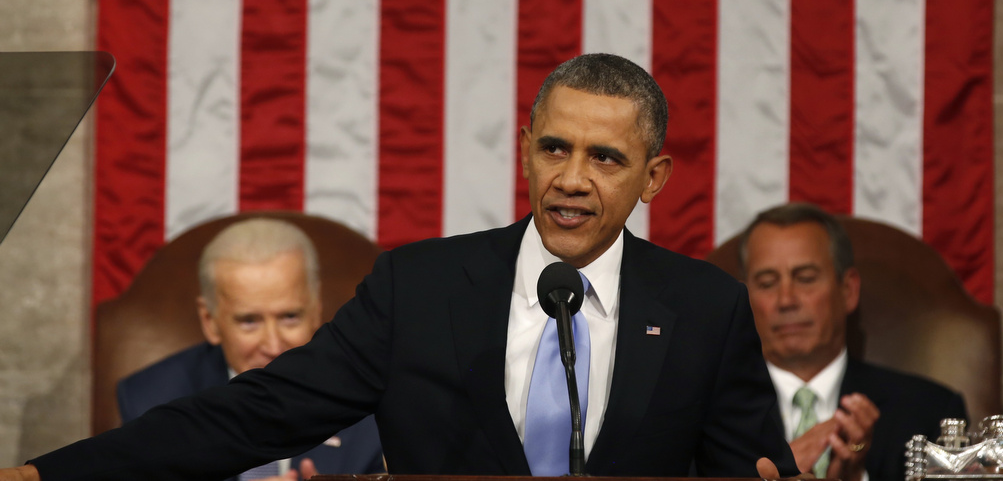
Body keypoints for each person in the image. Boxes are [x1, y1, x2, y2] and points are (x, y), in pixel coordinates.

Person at [5, 53, 798, 480]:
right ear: (526, 146)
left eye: (606, 157)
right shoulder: (415, 288)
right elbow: (248, 414)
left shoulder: (705, 307)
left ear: (652, 178)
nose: (571, 177)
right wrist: (48, 477)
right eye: (554, 146)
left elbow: (753, 472)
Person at [116, 217, 385, 481]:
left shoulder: (372, 403)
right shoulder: (152, 400)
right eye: (249, 321)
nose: (273, 345)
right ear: (209, 321)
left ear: (316, 310)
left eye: (289, 317)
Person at [739, 202, 968, 481]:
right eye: (766, 283)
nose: (786, 300)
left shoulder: (930, 412)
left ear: (848, 290)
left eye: (806, 278)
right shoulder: (702, 413)